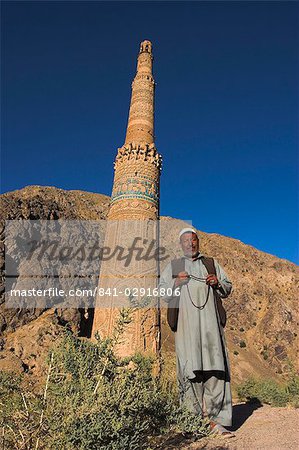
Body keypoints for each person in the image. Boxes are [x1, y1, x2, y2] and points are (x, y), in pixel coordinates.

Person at [159, 228, 234, 437]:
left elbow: (228, 287)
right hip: (186, 327)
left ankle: (215, 422)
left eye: (193, 240)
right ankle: (191, 423)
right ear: (180, 245)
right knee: (189, 372)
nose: (190, 244)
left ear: (198, 242)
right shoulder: (174, 266)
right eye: (185, 241)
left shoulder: (210, 263)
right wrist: (175, 283)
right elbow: (162, 292)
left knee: (215, 370)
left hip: (211, 327)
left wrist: (217, 282)